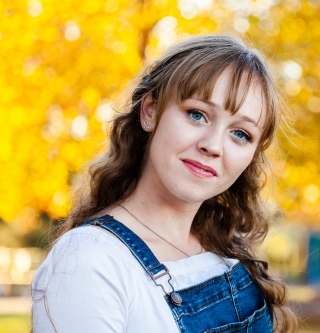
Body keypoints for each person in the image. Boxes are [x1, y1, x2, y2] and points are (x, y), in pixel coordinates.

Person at [31, 34, 298, 332]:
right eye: (197, 115)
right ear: (150, 111)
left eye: (240, 134)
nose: (213, 145)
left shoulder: (227, 250)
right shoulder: (91, 261)